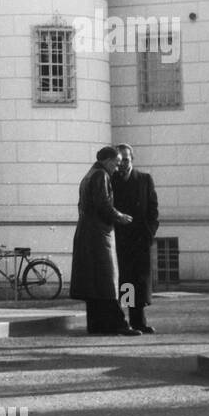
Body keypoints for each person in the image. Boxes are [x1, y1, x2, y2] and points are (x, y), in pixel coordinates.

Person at [69, 146, 139, 336]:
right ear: (108, 161)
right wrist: (120, 216)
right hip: (100, 235)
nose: (117, 168)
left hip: (87, 233)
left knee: (94, 284)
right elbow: (103, 205)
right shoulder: (101, 175)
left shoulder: (89, 175)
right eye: (116, 164)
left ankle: (97, 324)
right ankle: (119, 324)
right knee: (107, 282)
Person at [112, 143, 160, 333]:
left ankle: (139, 321)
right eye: (120, 160)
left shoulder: (144, 179)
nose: (123, 163)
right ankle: (128, 322)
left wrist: (149, 233)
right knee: (126, 282)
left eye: (126, 159)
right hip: (121, 239)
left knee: (140, 282)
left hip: (140, 239)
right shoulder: (112, 180)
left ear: (132, 158)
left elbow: (153, 209)